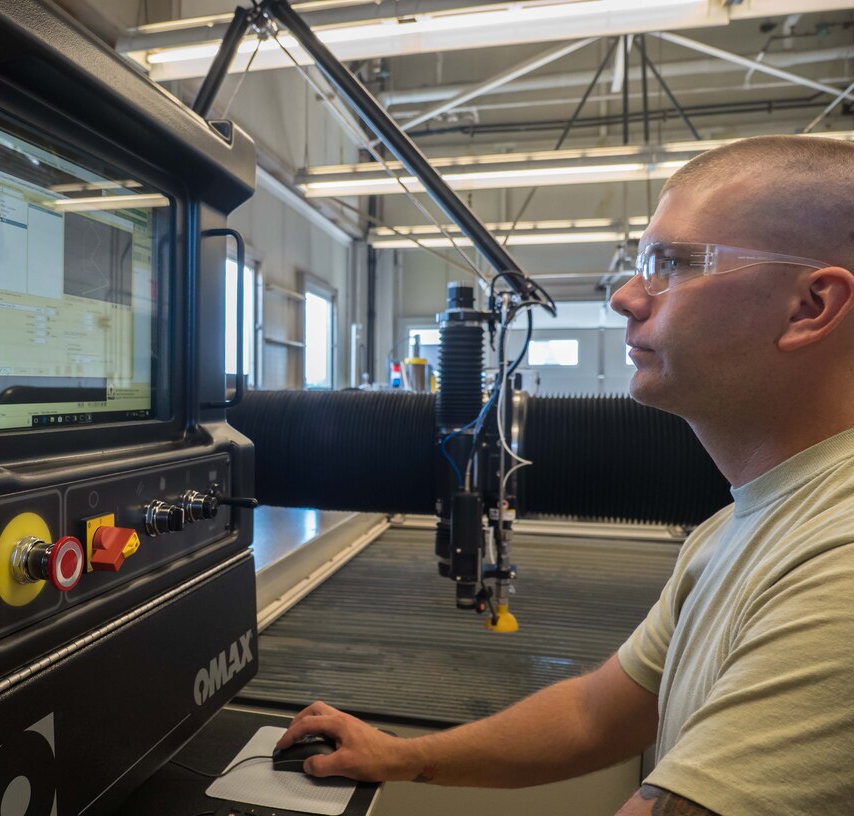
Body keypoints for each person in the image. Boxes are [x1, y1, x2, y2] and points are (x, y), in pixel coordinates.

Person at [276, 134, 854, 815]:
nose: (627, 297)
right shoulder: (736, 528)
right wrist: (403, 756)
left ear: (810, 307)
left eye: (671, 264)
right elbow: (593, 717)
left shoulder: (836, 562)